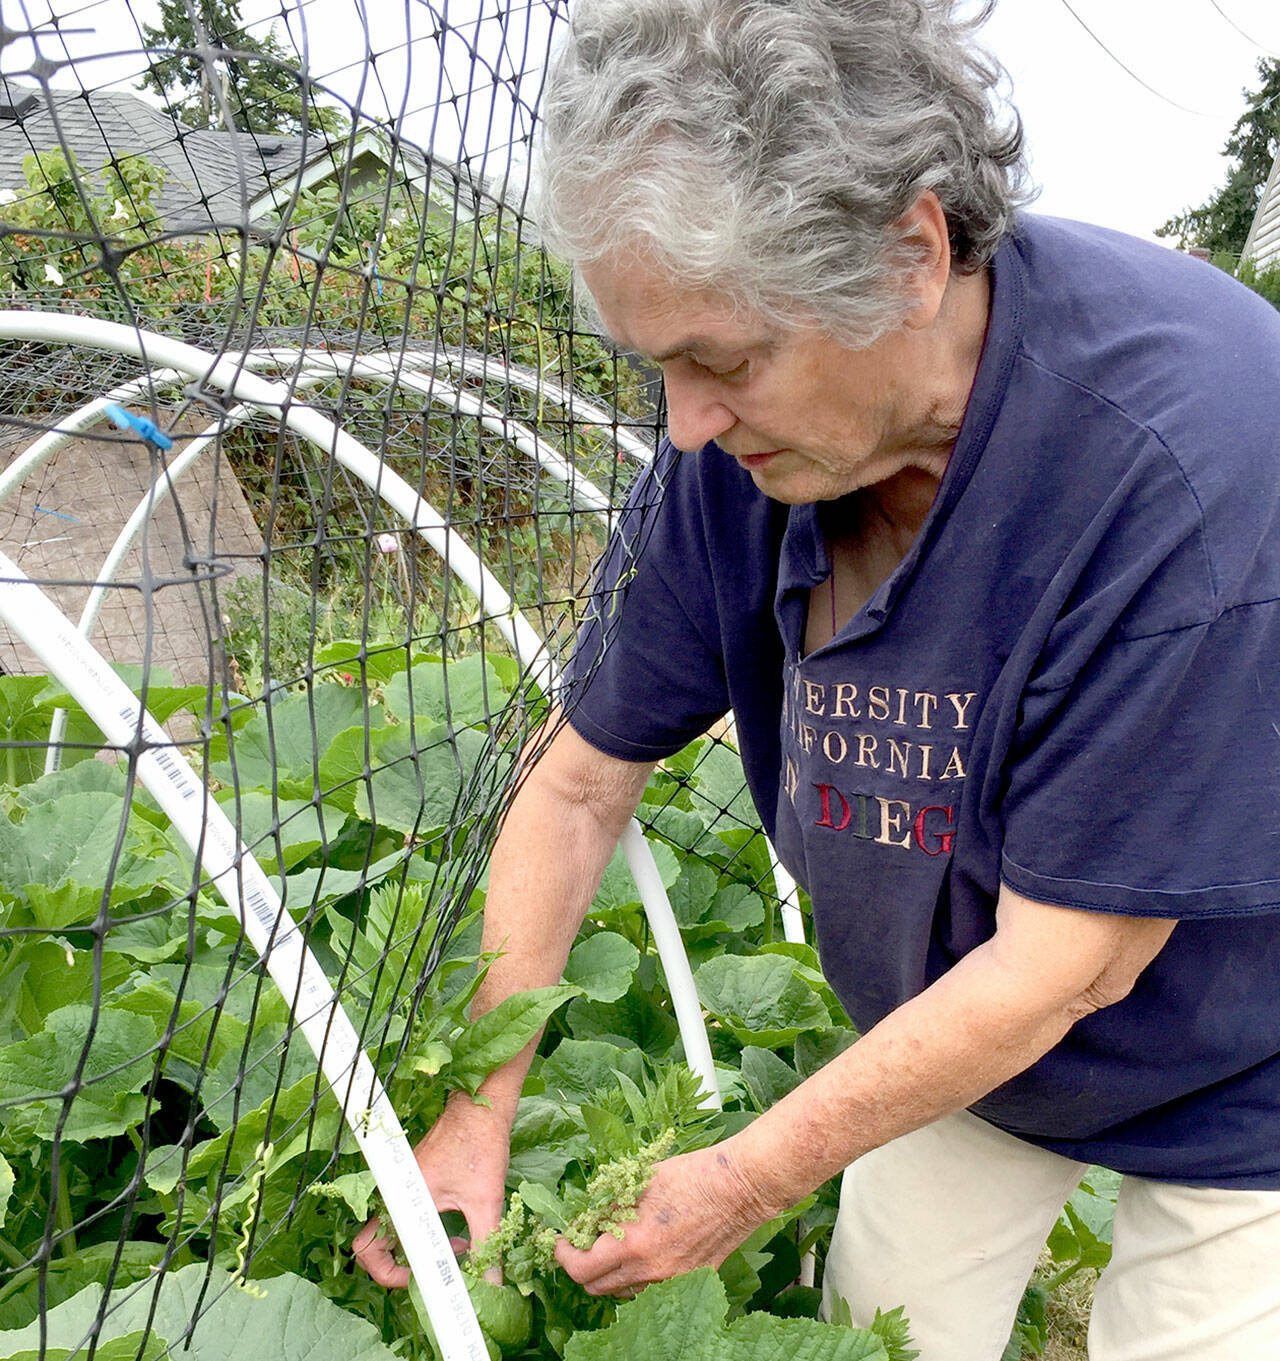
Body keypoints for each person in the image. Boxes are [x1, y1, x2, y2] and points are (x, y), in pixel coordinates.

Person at [356, 2, 1280, 1356]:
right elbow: (575, 787)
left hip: (1236, 1053)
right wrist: (477, 1109)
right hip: (955, 1030)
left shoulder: (1183, 464)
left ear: (911, 254)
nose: (683, 423)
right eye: (659, 365)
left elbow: (1064, 966)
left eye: (722, 359)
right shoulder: (737, 459)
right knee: (874, 1332)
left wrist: (741, 1179)